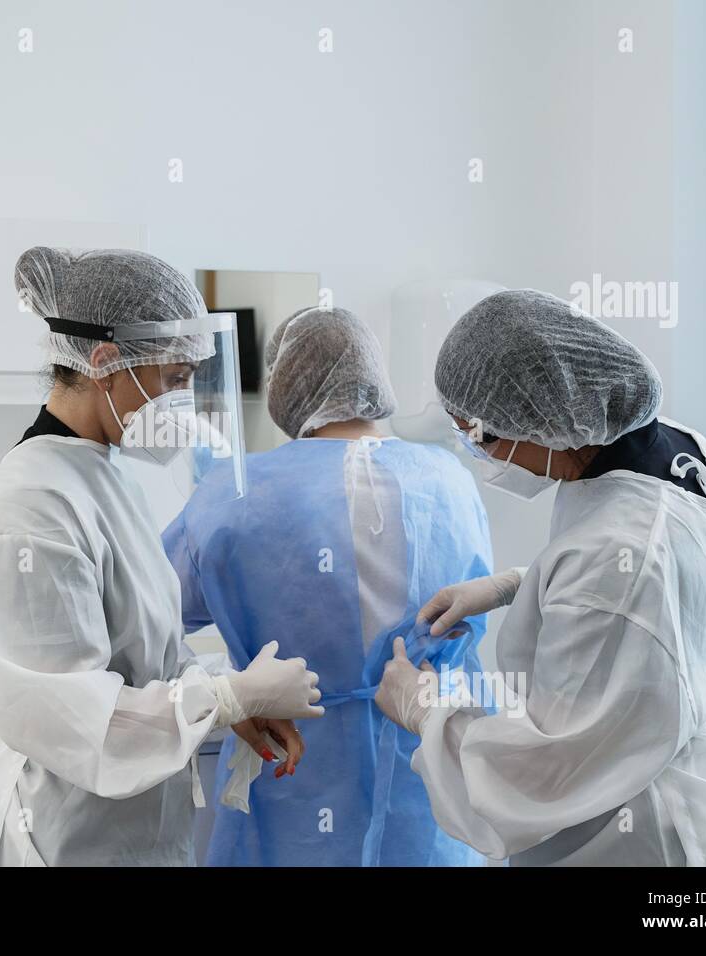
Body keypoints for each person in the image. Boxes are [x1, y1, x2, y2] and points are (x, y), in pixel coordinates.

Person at [0, 247, 323, 867]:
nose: (182, 403)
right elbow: (73, 714)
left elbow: (147, 658)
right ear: (106, 362)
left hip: (131, 833)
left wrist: (223, 708)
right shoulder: (26, 507)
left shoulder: (103, 477)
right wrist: (223, 699)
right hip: (64, 840)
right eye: (173, 380)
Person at [376, 288, 706, 866]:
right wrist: (521, 583)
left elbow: (541, 775)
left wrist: (425, 713)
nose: (480, 455)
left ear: (548, 418)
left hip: (644, 830)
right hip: (699, 784)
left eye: (483, 436)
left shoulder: (619, 557)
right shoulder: (669, 447)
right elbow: (667, 585)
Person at [163, 306, 492, 866]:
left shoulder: (236, 493)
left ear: (284, 387)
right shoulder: (448, 480)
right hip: (432, 769)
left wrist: (226, 691)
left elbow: (151, 621)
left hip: (294, 773)